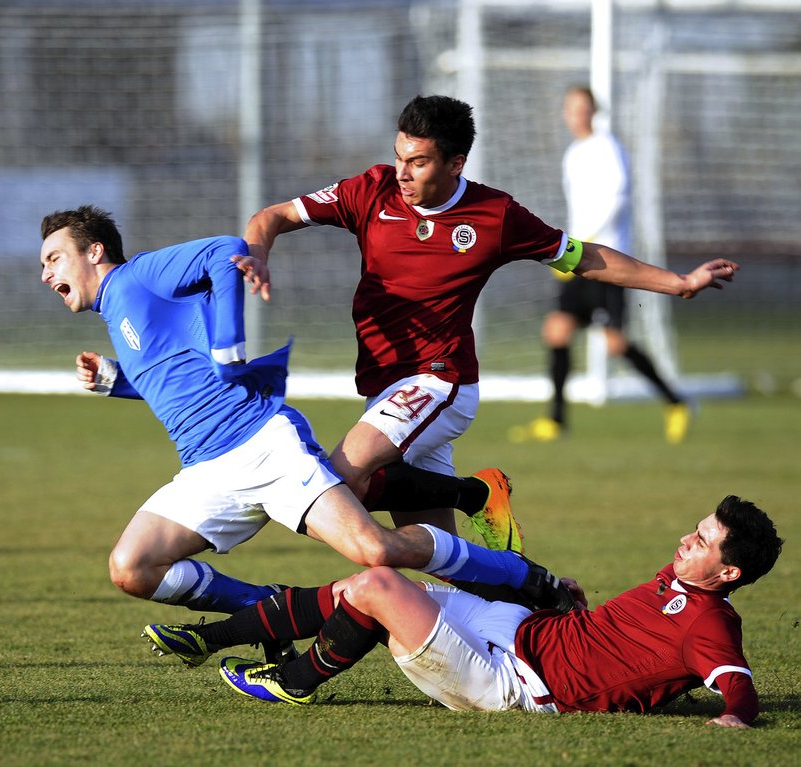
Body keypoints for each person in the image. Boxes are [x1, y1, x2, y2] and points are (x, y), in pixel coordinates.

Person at [38, 205, 574, 660]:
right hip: (206, 469)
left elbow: (224, 250)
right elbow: (177, 383)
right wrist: (116, 381)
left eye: (54, 257)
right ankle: (262, 606)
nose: (45, 273)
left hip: (262, 445)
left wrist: (229, 342)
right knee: (132, 567)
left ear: (94, 252)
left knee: (375, 549)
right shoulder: (121, 312)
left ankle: (528, 580)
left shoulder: (138, 276)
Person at [237, 95, 737, 550]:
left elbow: (583, 257)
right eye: (398, 156)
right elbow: (271, 216)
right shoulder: (369, 190)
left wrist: (678, 282)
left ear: (456, 163)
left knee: (337, 479)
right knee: (431, 549)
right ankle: (534, 591)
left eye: (418, 162)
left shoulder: (494, 215)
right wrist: (257, 255)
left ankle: (474, 494)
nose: (402, 173)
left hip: (439, 380)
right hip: (383, 385)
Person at [144, 495, 782, 729]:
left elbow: (737, 685)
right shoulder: (682, 583)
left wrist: (732, 718)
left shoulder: (711, 622)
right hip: (524, 634)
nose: (685, 540)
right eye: (695, 528)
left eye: (702, 541)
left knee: (377, 586)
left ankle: (298, 682)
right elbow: (625, 642)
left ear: (728, 573)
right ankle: (212, 637)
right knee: (352, 587)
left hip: (520, 684)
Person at [511, 86, 691, 445]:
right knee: (557, 331)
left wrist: (584, 242)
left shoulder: (607, 147)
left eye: (583, 107)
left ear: (593, 111)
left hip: (606, 259)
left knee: (615, 344)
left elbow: (619, 197)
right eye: (571, 108)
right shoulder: (573, 153)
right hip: (577, 259)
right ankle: (556, 421)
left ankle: (676, 403)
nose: (576, 114)